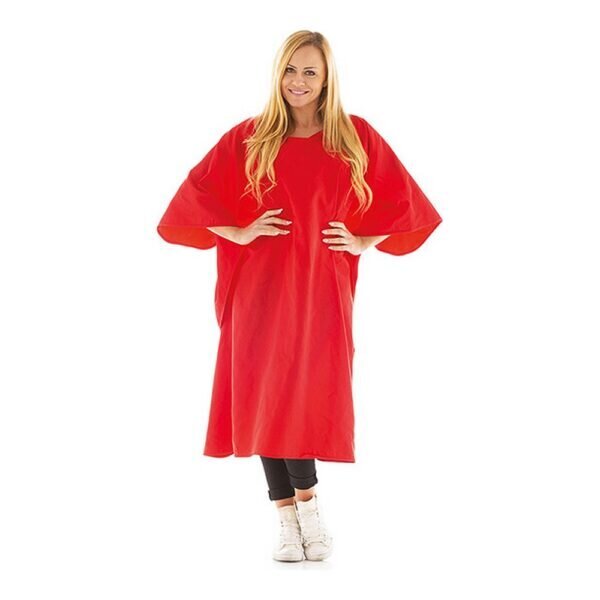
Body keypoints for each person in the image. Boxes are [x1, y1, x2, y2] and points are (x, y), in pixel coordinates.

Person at [156, 30, 443, 562]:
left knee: (304, 393)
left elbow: (407, 202)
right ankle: (292, 521)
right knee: (265, 394)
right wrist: (238, 231)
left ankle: (306, 508)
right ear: (278, 74)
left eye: (310, 71)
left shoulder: (354, 136)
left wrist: (363, 240)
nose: (298, 81)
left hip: (321, 290)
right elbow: (191, 199)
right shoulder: (250, 136)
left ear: (327, 78)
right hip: (258, 289)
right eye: (290, 69)